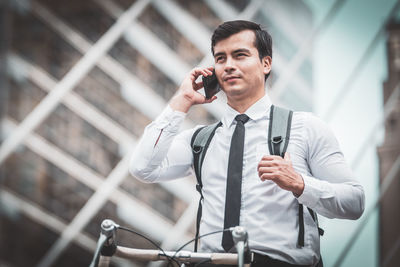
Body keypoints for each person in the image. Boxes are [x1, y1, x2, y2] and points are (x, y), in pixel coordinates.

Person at [130, 20, 365, 267]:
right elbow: (142, 168)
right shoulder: (199, 140)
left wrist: (299, 184)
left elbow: (354, 202)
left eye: (240, 55)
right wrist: (182, 100)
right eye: (220, 59)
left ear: (266, 63)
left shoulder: (305, 127)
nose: (228, 65)